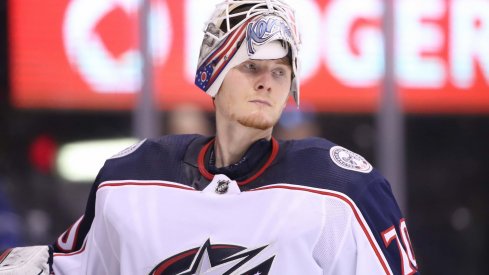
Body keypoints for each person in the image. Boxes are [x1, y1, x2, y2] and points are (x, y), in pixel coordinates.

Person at [0, 0, 419, 274]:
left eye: (279, 71)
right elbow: (66, 265)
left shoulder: (342, 189)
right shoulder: (131, 178)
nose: (267, 83)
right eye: (251, 67)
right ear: (214, 71)